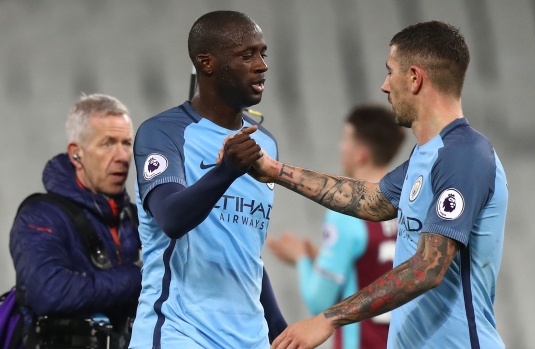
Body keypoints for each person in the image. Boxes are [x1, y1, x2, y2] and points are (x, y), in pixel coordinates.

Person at [249, 21, 509, 349]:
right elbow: (371, 200)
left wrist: (329, 317)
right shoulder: (426, 156)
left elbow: (428, 267)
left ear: (415, 78)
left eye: (390, 72)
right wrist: (274, 170)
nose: (385, 86)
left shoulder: (464, 156)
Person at [129, 11, 286, 349]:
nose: (262, 65)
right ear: (207, 63)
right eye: (247, 55)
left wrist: (280, 332)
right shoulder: (162, 133)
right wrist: (226, 171)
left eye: (263, 53)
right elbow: (171, 217)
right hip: (179, 334)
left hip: (251, 339)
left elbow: (245, 253)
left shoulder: (265, 143)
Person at [267, 105, 405, 349]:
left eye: (345, 140)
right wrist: (319, 259)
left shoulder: (347, 213)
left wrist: (301, 260)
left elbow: (320, 301)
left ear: (361, 154)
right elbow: (374, 270)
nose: (341, 147)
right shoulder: (409, 204)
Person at [9, 94, 142, 345]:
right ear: (76, 154)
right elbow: (49, 292)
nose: (123, 156)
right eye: (108, 143)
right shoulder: (41, 214)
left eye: (126, 143)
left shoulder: (136, 219)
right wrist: (137, 277)